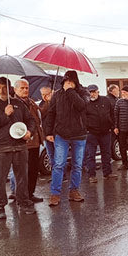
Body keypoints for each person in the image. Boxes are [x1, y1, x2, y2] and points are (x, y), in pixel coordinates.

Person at [0, 77, 36, 219]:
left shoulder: (18, 103)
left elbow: (30, 120)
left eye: (4, 87)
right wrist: (5, 115)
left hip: (19, 145)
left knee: (22, 177)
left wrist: (29, 132)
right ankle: (0, 206)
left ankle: (23, 202)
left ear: (10, 87)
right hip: (0, 146)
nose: (1, 90)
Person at [44, 71, 88, 206]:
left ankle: (74, 191)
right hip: (61, 134)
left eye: (71, 81)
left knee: (77, 165)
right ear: (62, 82)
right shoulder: (57, 95)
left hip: (79, 134)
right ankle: (55, 194)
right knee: (58, 164)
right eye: (66, 82)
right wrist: (48, 132)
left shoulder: (83, 93)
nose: (68, 84)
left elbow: (82, 106)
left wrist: (70, 91)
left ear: (76, 82)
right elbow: (51, 114)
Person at [14, 79, 44, 203]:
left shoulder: (31, 102)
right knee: (21, 172)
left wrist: (47, 102)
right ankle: (21, 196)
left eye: (26, 88)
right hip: (20, 142)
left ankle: (30, 193)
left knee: (33, 169)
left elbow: (40, 116)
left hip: (34, 140)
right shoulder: (12, 103)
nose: (25, 90)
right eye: (22, 88)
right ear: (15, 90)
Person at [84, 84, 115, 183]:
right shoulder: (85, 103)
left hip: (105, 131)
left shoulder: (105, 100)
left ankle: (107, 173)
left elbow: (111, 113)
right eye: (90, 92)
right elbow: (82, 117)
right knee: (90, 155)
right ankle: (91, 175)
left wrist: (112, 125)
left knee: (106, 153)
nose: (92, 94)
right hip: (91, 133)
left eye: (94, 92)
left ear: (98, 92)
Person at [38, 85, 55, 163]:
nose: (44, 96)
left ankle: (61, 174)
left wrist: (50, 101)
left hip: (56, 133)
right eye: (42, 94)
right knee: (50, 154)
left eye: (46, 94)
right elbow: (41, 115)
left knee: (58, 156)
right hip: (46, 134)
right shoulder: (41, 104)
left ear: (51, 93)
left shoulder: (55, 102)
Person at [106, 84, 122, 162]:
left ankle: (121, 157)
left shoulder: (117, 99)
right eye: (117, 89)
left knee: (119, 142)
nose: (119, 91)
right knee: (112, 143)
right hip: (112, 126)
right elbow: (108, 114)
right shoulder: (108, 99)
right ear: (113, 90)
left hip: (118, 125)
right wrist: (112, 125)